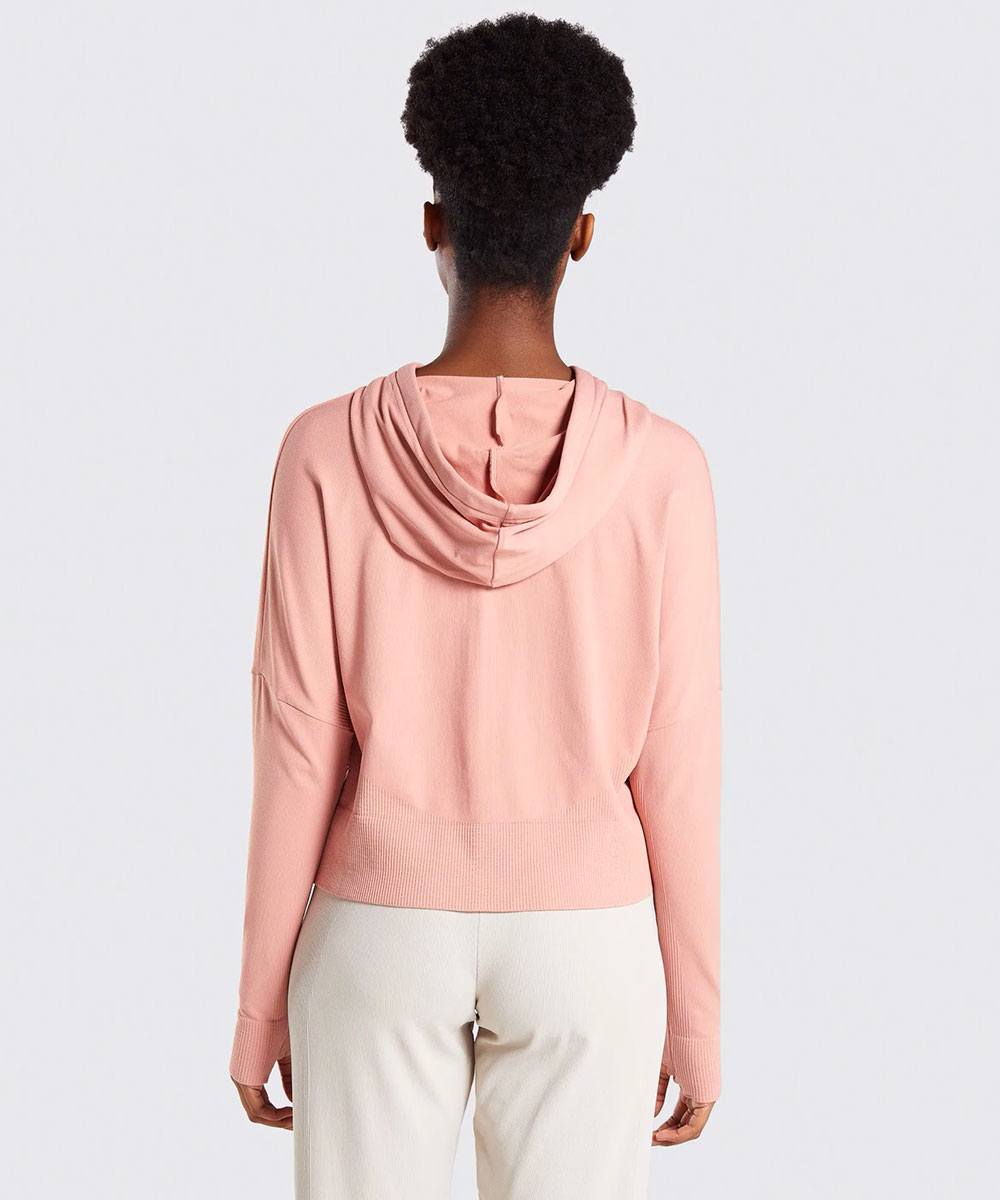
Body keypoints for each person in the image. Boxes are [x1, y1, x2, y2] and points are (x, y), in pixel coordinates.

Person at [229, 13, 721, 1198]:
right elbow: (680, 762)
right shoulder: (662, 467)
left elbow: (297, 745)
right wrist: (698, 1019)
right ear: (581, 235)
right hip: (587, 937)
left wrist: (258, 1006)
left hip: (377, 929)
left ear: (432, 225)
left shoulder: (324, 451)